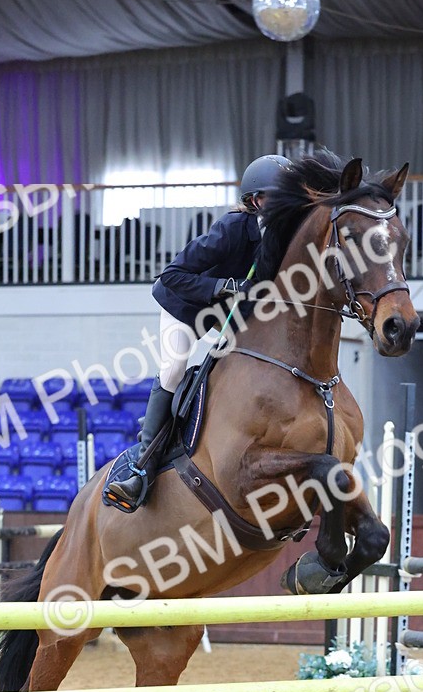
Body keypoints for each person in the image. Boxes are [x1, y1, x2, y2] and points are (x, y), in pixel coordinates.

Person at [104, 154, 292, 511]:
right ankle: (141, 468)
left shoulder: (279, 238)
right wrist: (223, 285)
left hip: (227, 311)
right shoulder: (233, 228)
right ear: (255, 201)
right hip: (184, 305)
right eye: (275, 197)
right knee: (174, 370)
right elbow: (172, 274)